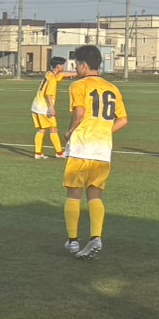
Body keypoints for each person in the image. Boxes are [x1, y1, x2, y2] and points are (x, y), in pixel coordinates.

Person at [61, 44, 127, 260]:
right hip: (102, 150)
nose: (75, 68)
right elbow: (123, 120)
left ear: (83, 65)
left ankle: (73, 241)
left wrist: (69, 132)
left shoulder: (78, 85)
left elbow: (79, 113)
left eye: (76, 64)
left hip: (81, 147)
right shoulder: (112, 88)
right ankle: (95, 237)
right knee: (95, 194)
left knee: (73, 193)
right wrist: (104, 130)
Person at [31, 55, 70, 159]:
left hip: (37, 105)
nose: (64, 67)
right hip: (43, 107)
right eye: (63, 65)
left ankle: (39, 153)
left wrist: (77, 74)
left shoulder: (49, 73)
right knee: (52, 129)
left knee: (44, 129)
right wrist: (51, 108)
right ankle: (58, 153)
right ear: (58, 66)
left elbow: (62, 74)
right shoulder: (52, 78)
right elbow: (48, 94)